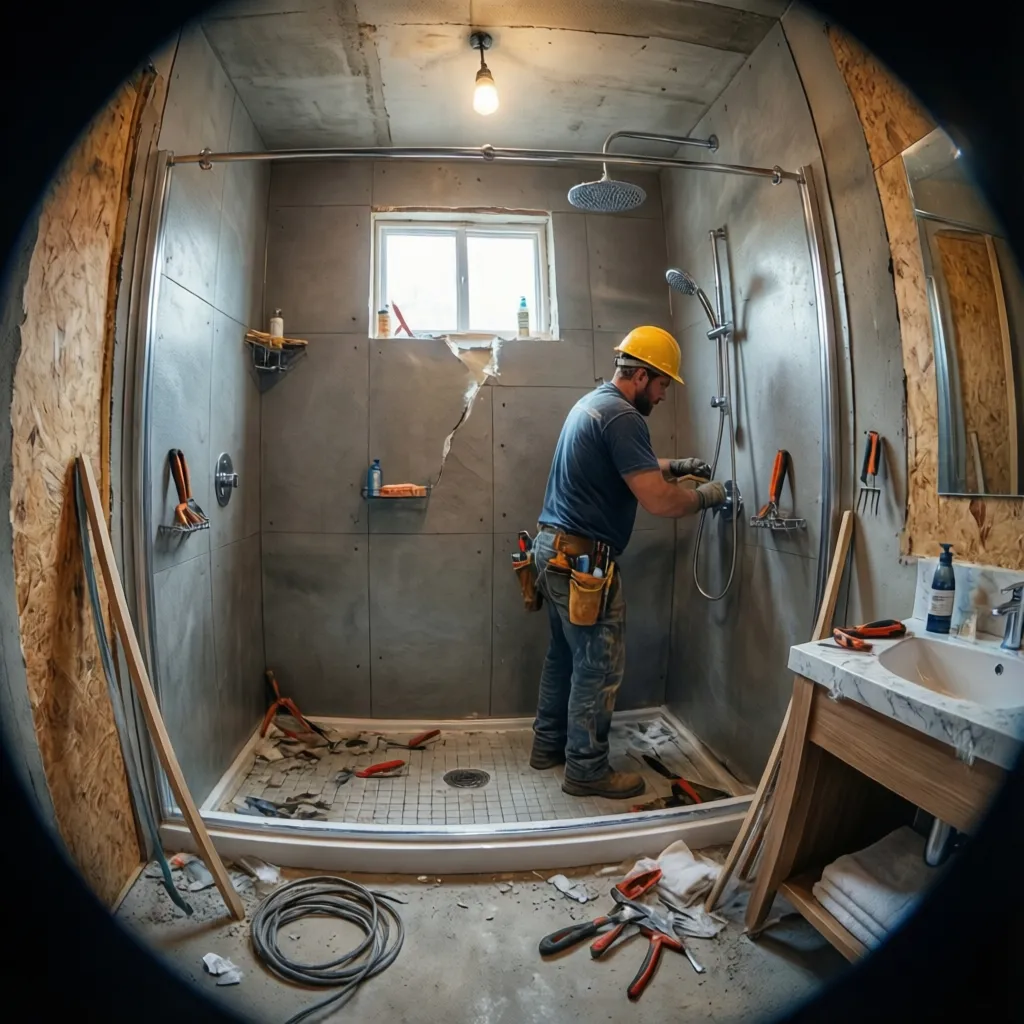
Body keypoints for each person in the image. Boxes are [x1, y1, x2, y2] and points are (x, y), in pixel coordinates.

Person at [528, 326, 728, 799]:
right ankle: (586, 769)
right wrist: (705, 497)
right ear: (640, 375)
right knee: (599, 666)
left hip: (553, 550)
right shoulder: (623, 417)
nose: (662, 396)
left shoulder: (595, 404)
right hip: (582, 562)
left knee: (564, 657)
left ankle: (548, 746)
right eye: (661, 385)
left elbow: (628, 465)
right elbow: (659, 503)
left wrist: (674, 465)